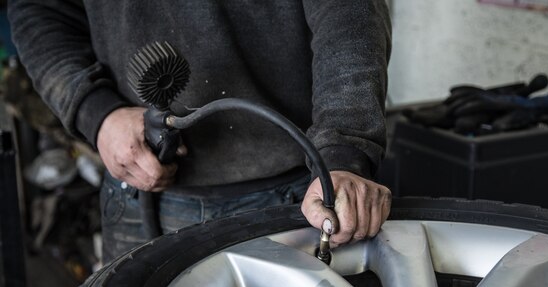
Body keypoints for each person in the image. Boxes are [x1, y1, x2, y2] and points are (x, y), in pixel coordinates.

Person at [8, 0, 393, 263]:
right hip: (135, 187)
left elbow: (348, 14)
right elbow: (40, 10)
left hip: (298, 195)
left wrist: (344, 150)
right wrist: (98, 113)